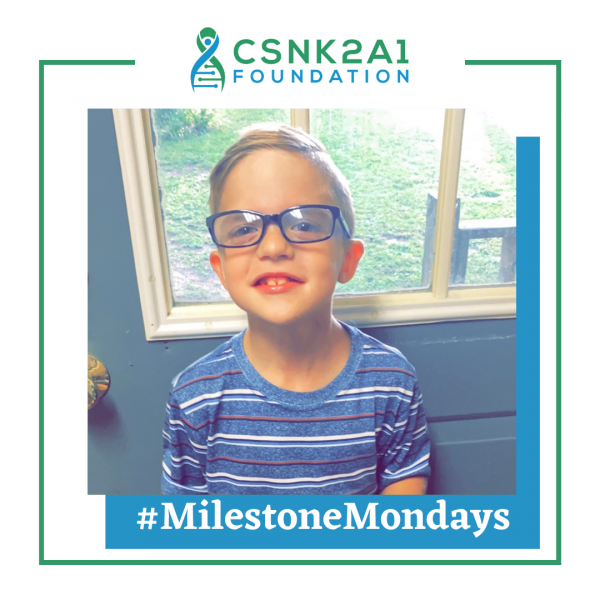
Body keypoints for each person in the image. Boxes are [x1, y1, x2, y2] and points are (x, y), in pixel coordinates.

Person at [161, 123, 430, 495]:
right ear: (220, 270)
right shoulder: (194, 395)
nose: (273, 247)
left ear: (347, 260)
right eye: (242, 229)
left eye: (304, 224)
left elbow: (406, 486)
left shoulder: (392, 380)